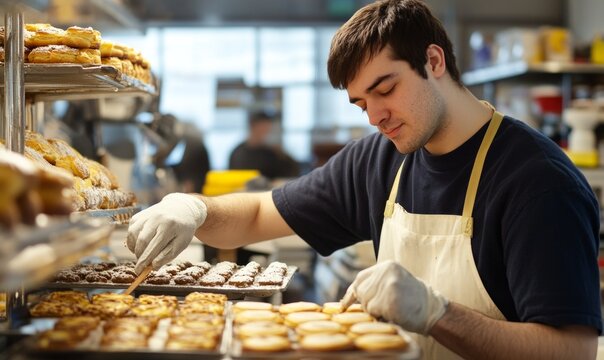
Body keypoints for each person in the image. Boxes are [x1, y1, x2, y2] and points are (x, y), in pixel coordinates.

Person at [126, 0, 601, 358]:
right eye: (360, 103)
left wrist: (438, 314)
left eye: (386, 89)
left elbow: (572, 350)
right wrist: (194, 209)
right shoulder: (381, 159)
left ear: (434, 62)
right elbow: (257, 214)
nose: (374, 116)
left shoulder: (537, 182)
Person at [228, 111, 299, 179]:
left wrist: (282, 154)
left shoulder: (270, 152)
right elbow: (234, 176)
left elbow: (292, 171)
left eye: (267, 128)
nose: (265, 132)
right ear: (252, 126)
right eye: (262, 128)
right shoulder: (238, 153)